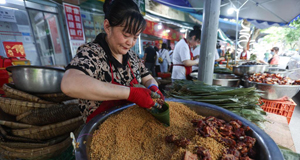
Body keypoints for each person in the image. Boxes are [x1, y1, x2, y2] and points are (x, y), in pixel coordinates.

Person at [61, 0, 164, 123]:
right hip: (101, 128)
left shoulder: (132, 56)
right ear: (107, 27)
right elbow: (69, 84)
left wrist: (153, 87)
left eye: (135, 37)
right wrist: (130, 93)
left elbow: (147, 77)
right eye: (126, 35)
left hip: (132, 124)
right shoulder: (92, 53)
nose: (130, 42)